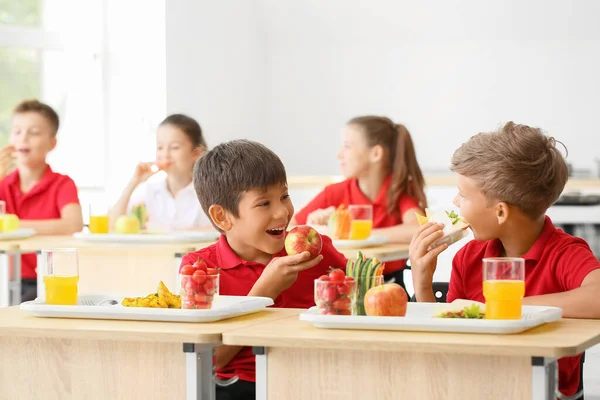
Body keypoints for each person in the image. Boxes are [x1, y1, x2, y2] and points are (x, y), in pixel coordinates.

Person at [410, 121, 600, 398]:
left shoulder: (564, 253)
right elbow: (446, 346)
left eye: (463, 194)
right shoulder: (468, 257)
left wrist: (509, 307)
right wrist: (422, 284)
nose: (455, 202)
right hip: (477, 386)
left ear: (500, 212)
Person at [180, 139, 348, 400]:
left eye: (284, 196)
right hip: (239, 388)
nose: (282, 212)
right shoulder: (200, 269)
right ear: (222, 216)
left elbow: (365, 305)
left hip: (317, 380)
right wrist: (263, 294)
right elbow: (209, 360)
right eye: (264, 204)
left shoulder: (316, 252)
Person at [293, 115, 426, 287]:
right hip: (338, 287)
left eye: (347, 146)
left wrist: (362, 237)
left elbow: (418, 229)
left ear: (376, 153)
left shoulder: (398, 191)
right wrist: (314, 227)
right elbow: (291, 228)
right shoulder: (334, 193)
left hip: (390, 286)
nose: (339, 154)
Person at [0, 99, 83, 301]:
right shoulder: (3, 183)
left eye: (34, 132)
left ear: (52, 143)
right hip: (4, 279)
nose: (23, 138)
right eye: (17, 131)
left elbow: (73, 224)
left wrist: (13, 225)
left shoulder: (62, 184)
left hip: (46, 281)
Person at [109, 114, 211, 231]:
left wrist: (175, 234)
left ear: (197, 153)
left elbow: (223, 232)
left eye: (175, 147)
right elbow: (112, 225)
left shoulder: (209, 193)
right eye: (160, 147)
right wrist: (134, 183)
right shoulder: (149, 192)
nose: (165, 155)